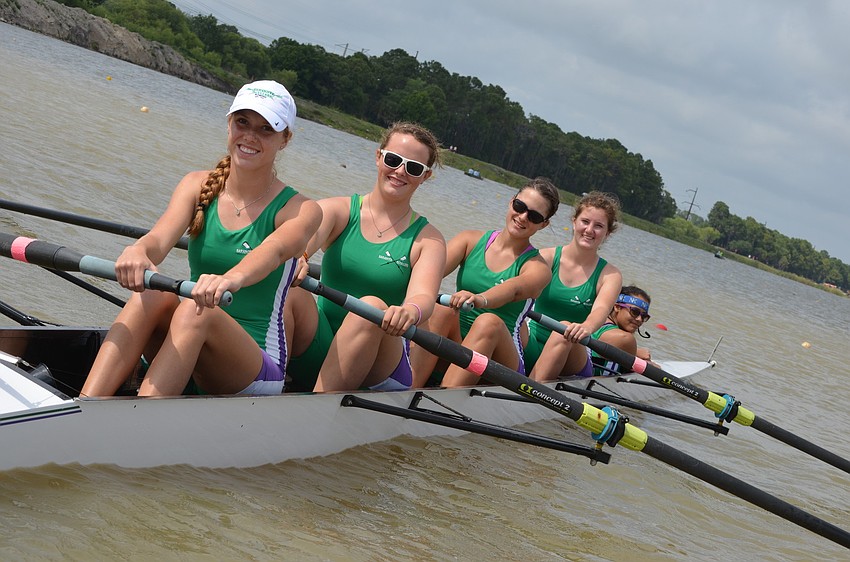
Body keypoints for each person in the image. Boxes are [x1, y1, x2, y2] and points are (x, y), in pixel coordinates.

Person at [81, 80, 322, 397]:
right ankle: (85, 403)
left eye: (266, 129)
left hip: (255, 368)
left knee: (200, 310)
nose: (249, 136)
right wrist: (138, 251)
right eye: (242, 122)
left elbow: (274, 252)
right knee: (152, 293)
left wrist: (231, 279)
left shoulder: (301, 209)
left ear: (285, 140)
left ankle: (140, 421)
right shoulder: (196, 185)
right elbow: (158, 239)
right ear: (229, 123)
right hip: (191, 336)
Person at [285, 122, 446, 392]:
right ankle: (267, 386)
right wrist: (299, 256)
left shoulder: (428, 239)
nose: (400, 172)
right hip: (323, 343)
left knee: (369, 307)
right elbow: (304, 238)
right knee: (291, 292)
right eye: (394, 160)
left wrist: (408, 311)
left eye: (413, 168)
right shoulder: (339, 210)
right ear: (378, 157)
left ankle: (318, 409)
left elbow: (424, 297)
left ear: (425, 176)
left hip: (380, 363)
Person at [410, 178, 560, 388]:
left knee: (488, 322)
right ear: (511, 202)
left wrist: (480, 299)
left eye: (534, 216)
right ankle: (409, 388)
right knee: (439, 309)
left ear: (544, 224)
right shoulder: (469, 240)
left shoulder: (538, 268)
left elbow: (514, 290)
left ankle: (444, 398)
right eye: (520, 206)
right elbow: (428, 273)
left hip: (500, 364)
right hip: (457, 345)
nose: (522, 217)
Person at [525, 191, 623, 382]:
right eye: (585, 222)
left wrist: (586, 327)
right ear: (574, 221)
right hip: (533, 342)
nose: (589, 230)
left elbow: (601, 310)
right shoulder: (546, 257)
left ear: (607, 233)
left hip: (573, 354)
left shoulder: (610, 275)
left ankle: (531, 396)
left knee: (564, 329)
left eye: (599, 226)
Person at [591, 285, 653, 376]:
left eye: (644, 316)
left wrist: (636, 352)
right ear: (617, 307)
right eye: (635, 312)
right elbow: (647, 370)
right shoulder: (625, 338)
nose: (639, 319)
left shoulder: (594, 320)